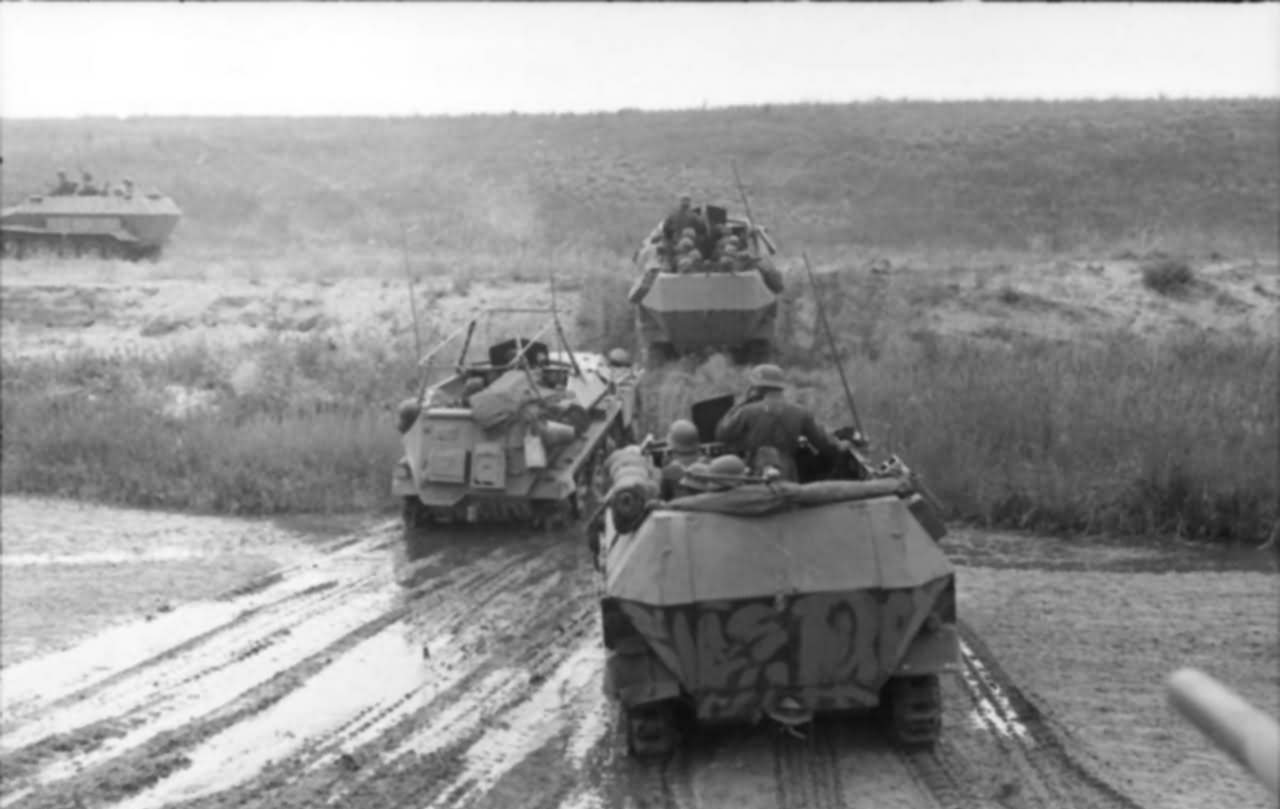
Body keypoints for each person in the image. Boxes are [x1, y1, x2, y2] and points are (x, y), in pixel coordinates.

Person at [714, 363, 846, 481]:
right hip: (789, 472)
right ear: (781, 387)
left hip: (757, 472)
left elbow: (722, 433)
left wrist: (743, 402)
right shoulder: (800, 412)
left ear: (756, 388)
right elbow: (823, 443)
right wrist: (841, 445)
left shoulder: (747, 411)